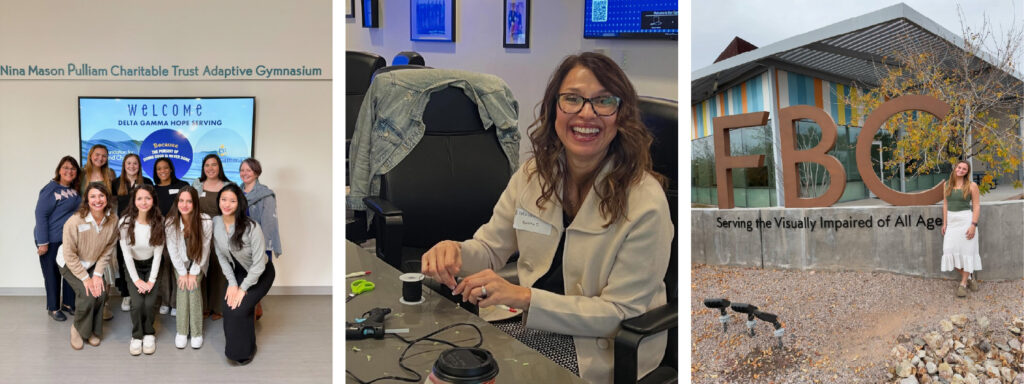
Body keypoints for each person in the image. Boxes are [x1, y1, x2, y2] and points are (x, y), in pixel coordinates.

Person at [420, 52, 673, 383]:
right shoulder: (533, 175)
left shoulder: (645, 202)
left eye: (603, 102)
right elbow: (490, 248)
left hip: (601, 347)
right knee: (441, 364)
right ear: (555, 107)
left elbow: (619, 314)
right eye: (572, 99)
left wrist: (523, 297)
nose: (586, 113)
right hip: (533, 325)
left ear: (621, 116)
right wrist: (453, 251)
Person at [213, 184, 276, 364]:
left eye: (232, 201)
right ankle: (234, 351)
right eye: (223, 199)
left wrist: (243, 288)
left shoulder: (251, 227)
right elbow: (221, 256)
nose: (227, 204)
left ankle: (247, 351)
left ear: (239, 203)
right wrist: (233, 284)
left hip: (261, 273)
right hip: (237, 271)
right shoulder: (216, 223)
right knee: (229, 307)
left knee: (240, 308)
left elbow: (258, 265)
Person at [57, 182, 118, 350]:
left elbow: (108, 248)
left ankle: (92, 330)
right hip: (70, 263)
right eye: (93, 196)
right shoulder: (75, 221)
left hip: (92, 263)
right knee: (88, 294)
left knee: (101, 293)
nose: (97, 200)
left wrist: (97, 275)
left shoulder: (113, 220)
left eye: (101, 195)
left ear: (107, 198)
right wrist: (86, 278)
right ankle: (77, 329)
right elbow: (69, 255)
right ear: (87, 200)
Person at [118, 184, 165, 355]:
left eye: (148, 198)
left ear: (153, 200)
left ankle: (149, 333)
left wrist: (151, 280)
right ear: (134, 201)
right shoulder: (124, 222)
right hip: (133, 267)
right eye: (139, 198)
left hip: (153, 265)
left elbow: (159, 254)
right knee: (137, 304)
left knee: (150, 302)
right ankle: (137, 335)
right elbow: (126, 255)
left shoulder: (160, 221)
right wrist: (137, 280)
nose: (143, 202)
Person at [34, 156, 82, 321]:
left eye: (73, 169)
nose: (69, 171)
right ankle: (53, 307)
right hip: (50, 239)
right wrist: (43, 242)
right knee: (52, 274)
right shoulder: (51, 189)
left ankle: (69, 304)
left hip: (67, 240)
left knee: (69, 273)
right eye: (66, 168)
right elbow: (40, 215)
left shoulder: (74, 190)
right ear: (59, 170)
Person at [166, 186, 213, 349]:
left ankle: (197, 332)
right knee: (182, 287)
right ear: (177, 202)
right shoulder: (170, 222)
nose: (184, 205)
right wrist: (182, 273)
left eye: (189, 201)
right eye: (181, 201)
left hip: (198, 262)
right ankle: (181, 331)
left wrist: (193, 273)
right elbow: (173, 251)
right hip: (180, 264)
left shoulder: (206, 220)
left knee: (192, 288)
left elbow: (204, 249)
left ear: (195, 203)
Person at [191, 154, 233, 320]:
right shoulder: (197, 185)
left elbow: (233, 210)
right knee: (201, 268)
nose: (210, 168)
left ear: (219, 167)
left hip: (221, 234)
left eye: (213, 165)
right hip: (200, 234)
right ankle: (203, 306)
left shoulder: (228, 186)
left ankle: (218, 308)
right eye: (207, 165)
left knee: (219, 270)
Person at [239, 157, 281, 319]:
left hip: (259, 243)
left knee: (258, 276)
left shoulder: (266, 194)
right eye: (242, 170)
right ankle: (245, 303)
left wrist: (260, 245)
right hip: (240, 243)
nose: (245, 173)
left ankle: (256, 303)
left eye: (248, 170)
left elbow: (269, 223)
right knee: (243, 275)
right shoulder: (236, 192)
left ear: (256, 172)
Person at [112, 153, 154, 312]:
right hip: (123, 229)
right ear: (124, 165)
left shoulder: (147, 182)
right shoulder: (115, 183)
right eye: (128, 163)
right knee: (124, 260)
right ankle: (126, 294)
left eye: (135, 163)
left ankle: (142, 290)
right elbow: (109, 207)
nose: (132, 166)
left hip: (144, 227)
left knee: (141, 260)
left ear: (139, 166)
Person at [80, 144, 118, 320]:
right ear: (90, 155)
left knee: (107, 262)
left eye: (104, 155)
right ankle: (90, 303)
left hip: (106, 223)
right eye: (97, 155)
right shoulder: (82, 174)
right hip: (86, 224)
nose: (100, 158)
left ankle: (104, 303)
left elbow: (114, 200)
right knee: (89, 261)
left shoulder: (110, 174)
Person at [152, 157, 188, 315]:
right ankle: (166, 301)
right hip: (160, 233)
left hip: (180, 232)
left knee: (178, 265)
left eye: (165, 168)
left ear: (171, 169)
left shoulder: (182, 186)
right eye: (159, 169)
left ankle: (176, 302)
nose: (162, 171)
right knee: (163, 267)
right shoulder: (153, 189)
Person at [941, 160, 982, 297]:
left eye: (964, 169)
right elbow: (945, 205)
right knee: (949, 252)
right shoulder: (947, 185)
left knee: (967, 253)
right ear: (955, 168)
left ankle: (963, 284)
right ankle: (970, 277)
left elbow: (976, 206)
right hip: (952, 224)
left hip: (966, 222)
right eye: (959, 167)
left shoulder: (972, 186)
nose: (961, 170)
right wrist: (945, 223)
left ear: (967, 172)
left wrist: (973, 225)